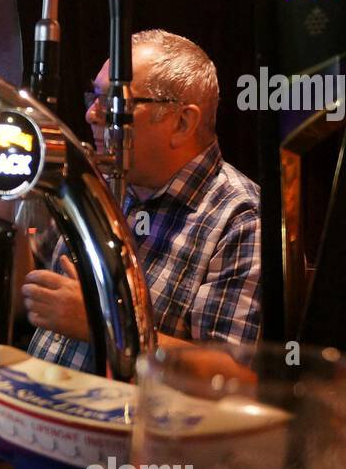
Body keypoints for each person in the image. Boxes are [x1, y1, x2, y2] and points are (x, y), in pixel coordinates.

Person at [22, 29, 261, 370]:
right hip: (37, 410)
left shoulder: (241, 218)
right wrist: (11, 190)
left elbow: (235, 378)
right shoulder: (97, 184)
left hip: (126, 423)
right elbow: (25, 288)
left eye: (114, 102)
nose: (92, 114)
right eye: (94, 95)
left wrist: (106, 323)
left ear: (182, 122)